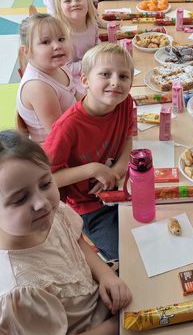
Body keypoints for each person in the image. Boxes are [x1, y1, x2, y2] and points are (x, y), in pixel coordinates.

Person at [0, 130, 131, 335]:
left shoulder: (41, 214)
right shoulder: (15, 291)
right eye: (20, 198)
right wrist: (116, 327)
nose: (41, 202)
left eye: (45, 183)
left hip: (94, 297)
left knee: (156, 274)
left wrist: (105, 274)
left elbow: (74, 239)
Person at [43, 43, 134, 266]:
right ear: (85, 81)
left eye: (123, 76)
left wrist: (117, 170)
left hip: (121, 188)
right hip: (89, 207)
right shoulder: (67, 128)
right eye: (105, 74)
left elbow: (128, 138)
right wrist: (93, 169)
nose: (116, 82)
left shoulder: (125, 103)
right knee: (127, 258)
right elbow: (46, 180)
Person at [17, 14, 77, 145]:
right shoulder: (38, 87)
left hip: (74, 126)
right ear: (26, 51)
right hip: (54, 148)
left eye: (61, 39)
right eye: (45, 42)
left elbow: (76, 94)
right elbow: (60, 134)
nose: (57, 46)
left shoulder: (59, 66)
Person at [54, 0, 100, 91]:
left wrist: (99, 51)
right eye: (67, 1)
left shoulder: (92, 24)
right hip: (71, 78)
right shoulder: (61, 36)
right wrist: (91, 62)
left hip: (92, 67)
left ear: (88, 2)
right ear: (59, 8)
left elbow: (96, 42)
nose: (74, 3)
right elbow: (65, 68)